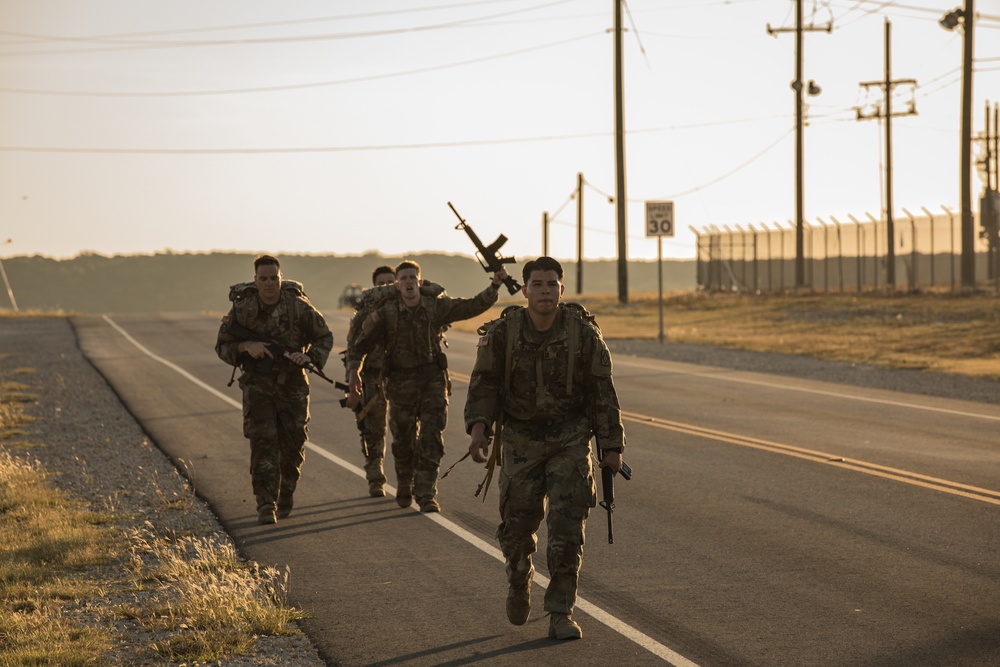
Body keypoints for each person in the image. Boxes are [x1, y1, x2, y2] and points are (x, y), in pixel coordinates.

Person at [464, 256, 625, 640]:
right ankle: (519, 579)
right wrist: (479, 429)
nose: (545, 292)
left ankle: (560, 611)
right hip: (520, 440)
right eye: (537, 284)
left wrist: (611, 445)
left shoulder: (583, 334)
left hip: (570, 439)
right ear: (525, 290)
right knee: (516, 531)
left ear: (562, 289)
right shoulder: (503, 333)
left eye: (552, 284)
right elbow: (484, 384)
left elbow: (602, 392)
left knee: (568, 527)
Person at [346, 259, 508, 513]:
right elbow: (360, 345)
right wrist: (354, 373)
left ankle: (426, 493)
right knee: (403, 440)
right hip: (399, 384)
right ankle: (405, 483)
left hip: (432, 381)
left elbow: (470, 306)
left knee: (432, 437)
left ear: (420, 282)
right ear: (397, 285)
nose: (409, 283)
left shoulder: (435, 306)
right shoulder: (387, 311)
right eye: (404, 279)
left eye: (413, 278)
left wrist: (495, 285)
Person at [216, 255, 334, 525]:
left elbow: (324, 336)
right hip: (258, 386)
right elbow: (223, 347)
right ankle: (265, 503)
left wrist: (310, 357)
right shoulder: (243, 311)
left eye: (274, 278)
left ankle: (286, 493)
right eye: (264, 279)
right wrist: (246, 347)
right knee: (263, 443)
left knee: (293, 446)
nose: (269, 284)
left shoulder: (299, 308)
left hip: (293, 384)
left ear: (281, 279)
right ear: (255, 281)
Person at [350, 264, 396, 497]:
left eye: (390, 282)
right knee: (373, 431)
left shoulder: (407, 309)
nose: (386, 288)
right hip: (372, 379)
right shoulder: (364, 315)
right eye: (381, 284)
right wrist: (353, 380)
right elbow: (353, 350)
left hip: (400, 379)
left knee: (407, 431)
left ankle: (410, 481)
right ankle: (375, 478)